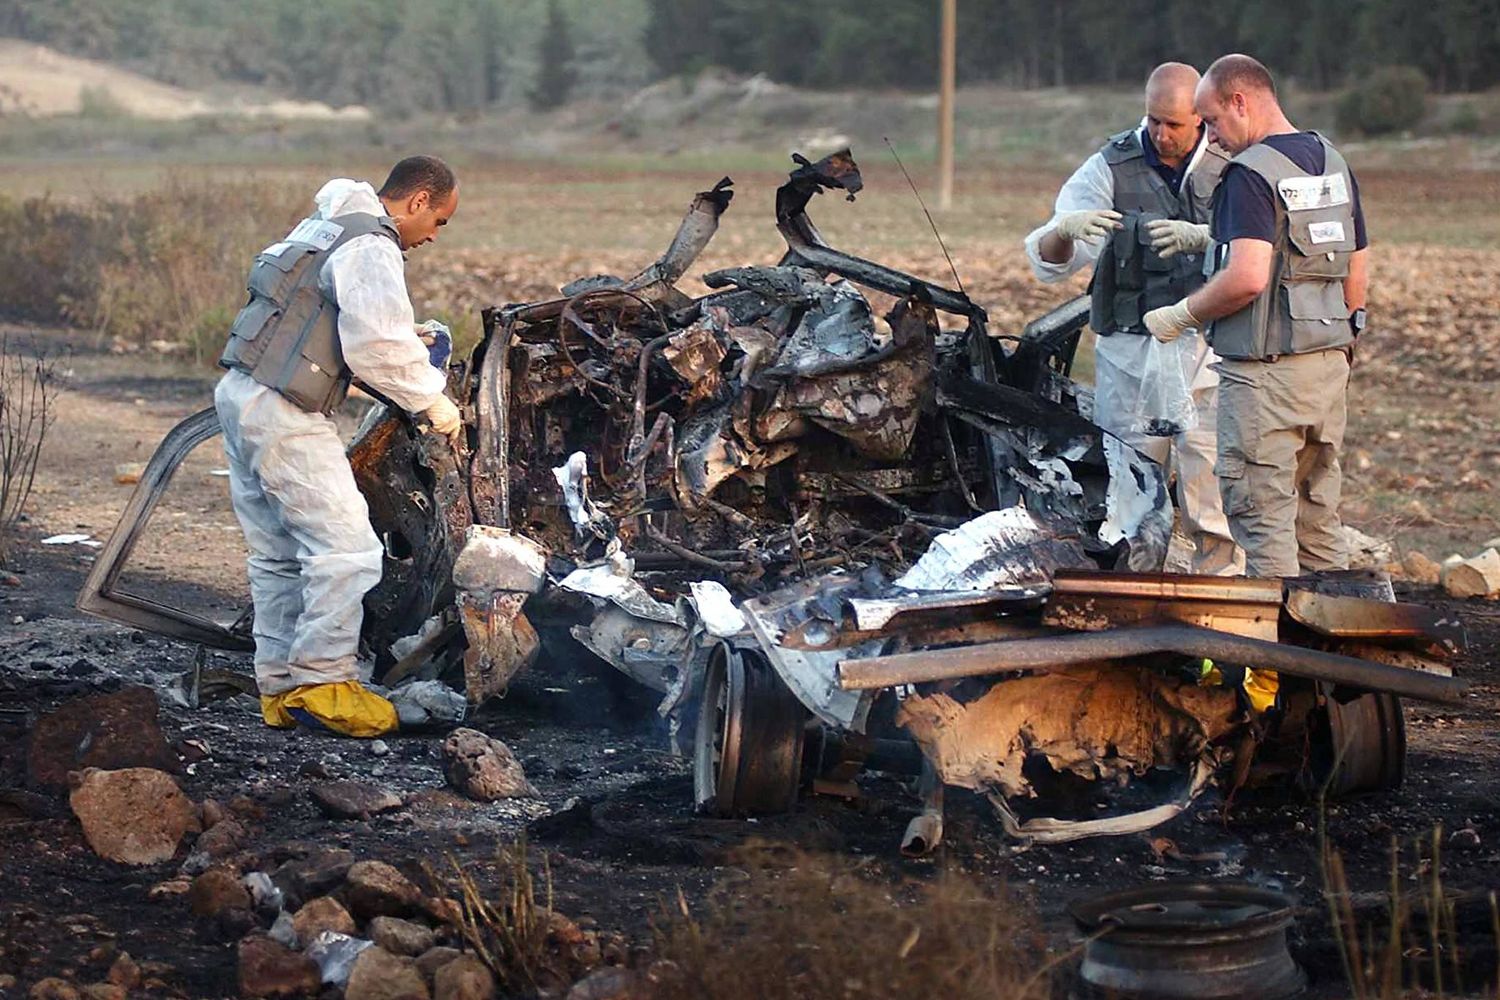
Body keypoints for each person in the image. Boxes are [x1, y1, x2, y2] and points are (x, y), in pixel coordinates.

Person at [215, 155, 464, 737]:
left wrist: (408, 340)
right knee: (348, 550)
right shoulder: (372, 245)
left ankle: (280, 688)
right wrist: (433, 402)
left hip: (242, 393)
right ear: (419, 201)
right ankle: (326, 682)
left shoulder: (325, 225)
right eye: (440, 222)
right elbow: (375, 345)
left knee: (279, 554)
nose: (432, 237)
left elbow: (323, 318)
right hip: (283, 410)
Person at [1144, 55, 1368, 578]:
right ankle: (1333, 650)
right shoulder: (1332, 160)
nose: (1213, 138)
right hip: (1328, 369)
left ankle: (1270, 655)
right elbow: (1356, 267)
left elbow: (1247, 277)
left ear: (1240, 102)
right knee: (1317, 519)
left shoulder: (1248, 174)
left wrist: (1181, 314)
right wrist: (1344, 342)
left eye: (1214, 121)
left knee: (1261, 521)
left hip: (1265, 376)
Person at [1024, 62, 1244, 576]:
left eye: (1175, 124)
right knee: (1128, 493)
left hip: (1211, 352)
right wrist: (1065, 228)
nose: (1161, 134)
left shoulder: (1233, 162)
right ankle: (1131, 599)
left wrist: (1208, 239)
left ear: (1201, 118)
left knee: (1212, 490)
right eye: (1153, 121)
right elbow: (1048, 262)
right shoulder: (1109, 166)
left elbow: (1261, 254)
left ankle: (1221, 612)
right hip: (1131, 354)